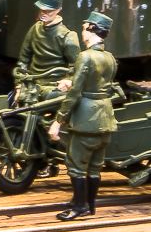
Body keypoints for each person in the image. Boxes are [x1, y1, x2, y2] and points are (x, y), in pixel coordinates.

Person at [48, 11, 119, 221]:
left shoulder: (85, 56)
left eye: (84, 28)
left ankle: (79, 206)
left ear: (91, 29)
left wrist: (58, 120)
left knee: (76, 165)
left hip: (86, 119)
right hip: (105, 117)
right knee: (95, 167)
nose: (82, 33)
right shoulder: (110, 58)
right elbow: (101, 85)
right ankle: (90, 204)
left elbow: (75, 93)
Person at [13, 0, 80, 105]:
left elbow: (77, 66)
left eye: (48, 11)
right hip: (32, 84)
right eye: (41, 9)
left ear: (58, 10)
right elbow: (23, 61)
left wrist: (68, 81)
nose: (43, 13)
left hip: (53, 86)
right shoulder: (35, 29)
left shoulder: (67, 36)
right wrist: (19, 85)